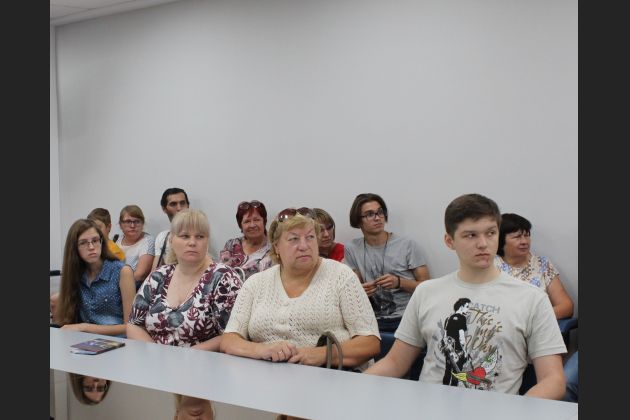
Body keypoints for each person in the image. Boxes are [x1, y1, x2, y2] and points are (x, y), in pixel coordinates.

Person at [365, 193, 567, 399]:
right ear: (449, 241)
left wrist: (517, 411)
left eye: (490, 233)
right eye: (471, 235)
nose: (483, 243)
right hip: (430, 408)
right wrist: (354, 388)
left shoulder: (531, 298)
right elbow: (395, 362)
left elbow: (553, 379)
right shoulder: (427, 292)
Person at [220, 207, 380, 371]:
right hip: (268, 377)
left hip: (331, 376)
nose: (304, 246)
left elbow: (370, 342)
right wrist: (262, 350)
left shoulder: (341, 276)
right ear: (276, 247)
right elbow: (229, 340)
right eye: (294, 239)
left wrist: (322, 354)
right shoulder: (255, 283)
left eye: (310, 237)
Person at [127, 209, 242, 349]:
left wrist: (185, 357)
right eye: (185, 236)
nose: (192, 242)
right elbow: (134, 325)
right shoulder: (158, 276)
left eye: (200, 236)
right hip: (155, 359)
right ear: (171, 240)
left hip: (204, 360)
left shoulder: (224, 278)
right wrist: (156, 354)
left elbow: (233, 335)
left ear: (207, 241)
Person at [344, 193, 430, 332]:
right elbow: (354, 289)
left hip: (407, 318)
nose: (377, 218)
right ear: (358, 221)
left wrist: (399, 282)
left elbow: (427, 288)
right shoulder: (352, 248)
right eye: (370, 214)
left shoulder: (407, 245)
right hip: (372, 320)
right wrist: (361, 291)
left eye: (380, 212)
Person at [53, 219, 136, 336]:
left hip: (118, 341)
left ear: (101, 242)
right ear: (74, 248)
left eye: (95, 240)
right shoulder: (75, 273)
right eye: (83, 243)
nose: (91, 247)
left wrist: (84, 327)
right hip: (84, 340)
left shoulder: (123, 271)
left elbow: (131, 327)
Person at [495, 213, 574, 319]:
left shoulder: (542, 264)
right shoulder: (489, 266)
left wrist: (533, 318)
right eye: (517, 237)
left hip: (537, 324)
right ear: (500, 240)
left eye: (527, 235)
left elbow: (566, 307)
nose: (524, 241)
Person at [219, 200, 274, 281]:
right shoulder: (231, 245)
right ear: (240, 226)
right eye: (247, 221)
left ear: (264, 221)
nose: (252, 225)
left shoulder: (275, 248)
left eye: (256, 220)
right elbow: (219, 275)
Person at [115, 205, 155, 288]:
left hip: (135, 288)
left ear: (142, 223)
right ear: (120, 224)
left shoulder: (148, 241)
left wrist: (114, 287)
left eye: (137, 221)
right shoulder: (117, 240)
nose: (132, 226)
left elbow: (140, 275)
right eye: (128, 221)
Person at [152, 188, 190, 271]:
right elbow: (155, 271)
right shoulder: (162, 237)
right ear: (164, 209)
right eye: (173, 204)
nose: (179, 208)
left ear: (188, 206)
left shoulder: (200, 234)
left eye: (182, 203)